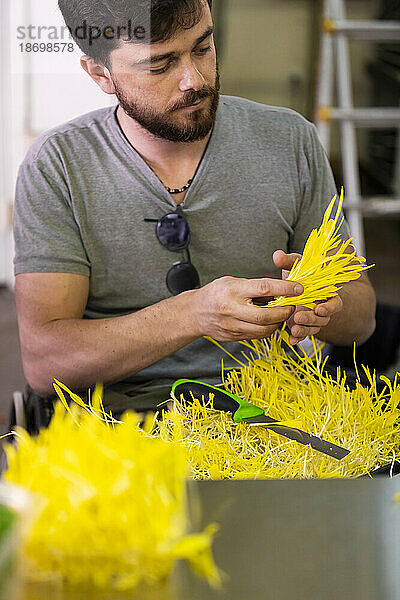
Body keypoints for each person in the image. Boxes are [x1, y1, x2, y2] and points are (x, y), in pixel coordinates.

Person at [13, 0, 376, 415]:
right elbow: (45, 363)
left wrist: (324, 304)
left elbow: (363, 317)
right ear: (101, 74)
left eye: (203, 47)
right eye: (160, 65)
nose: (194, 80)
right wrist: (192, 315)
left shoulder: (290, 140)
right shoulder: (59, 164)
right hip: (122, 424)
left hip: (275, 412)